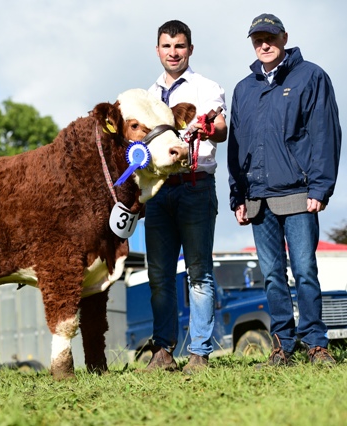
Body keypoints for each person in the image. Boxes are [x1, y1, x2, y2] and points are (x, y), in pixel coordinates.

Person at [228, 13, 342, 366]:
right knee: (273, 275)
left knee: (305, 270)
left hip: (298, 193)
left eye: (270, 37)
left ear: (284, 37)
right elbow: (235, 145)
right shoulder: (243, 89)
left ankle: (316, 345)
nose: (264, 44)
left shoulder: (311, 76)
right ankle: (283, 348)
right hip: (258, 197)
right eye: (257, 38)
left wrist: (320, 187)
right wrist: (238, 195)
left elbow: (326, 133)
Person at [143, 20, 227, 374]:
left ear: (189, 49)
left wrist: (209, 126)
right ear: (158, 50)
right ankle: (163, 351)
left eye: (179, 46)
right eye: (166, 46)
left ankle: (199, 353)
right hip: (159, 192)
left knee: (198, 272)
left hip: (195, 186)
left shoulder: (206, 87)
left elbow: (221, 128)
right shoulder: (147, 95)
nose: (173, 53)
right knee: (159, 274)